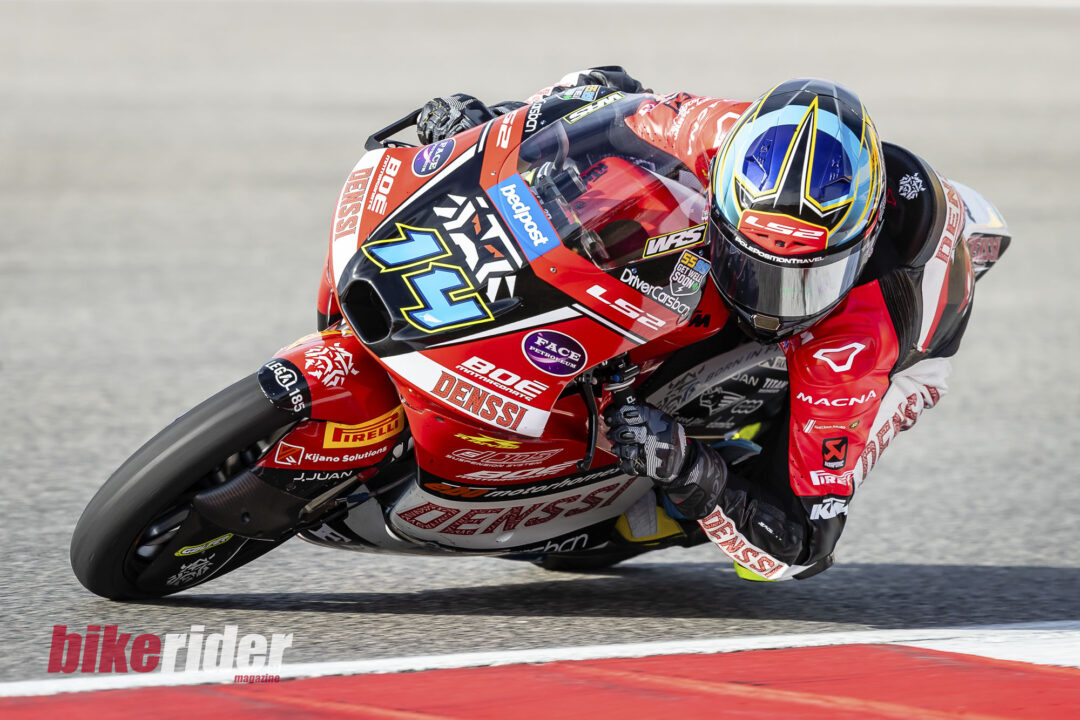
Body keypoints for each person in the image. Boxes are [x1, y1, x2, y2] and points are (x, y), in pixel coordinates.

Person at [413, 68, 995, 580]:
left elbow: (803, 546)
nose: (771, 303)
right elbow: (593, 98)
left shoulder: (864, 338)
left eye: (801, 281)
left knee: (787, 491)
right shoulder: (716, 133)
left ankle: (652, 511)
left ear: (859, 246)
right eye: (754, 268)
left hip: (893, 347)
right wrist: (489, 129)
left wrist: (688, 467)